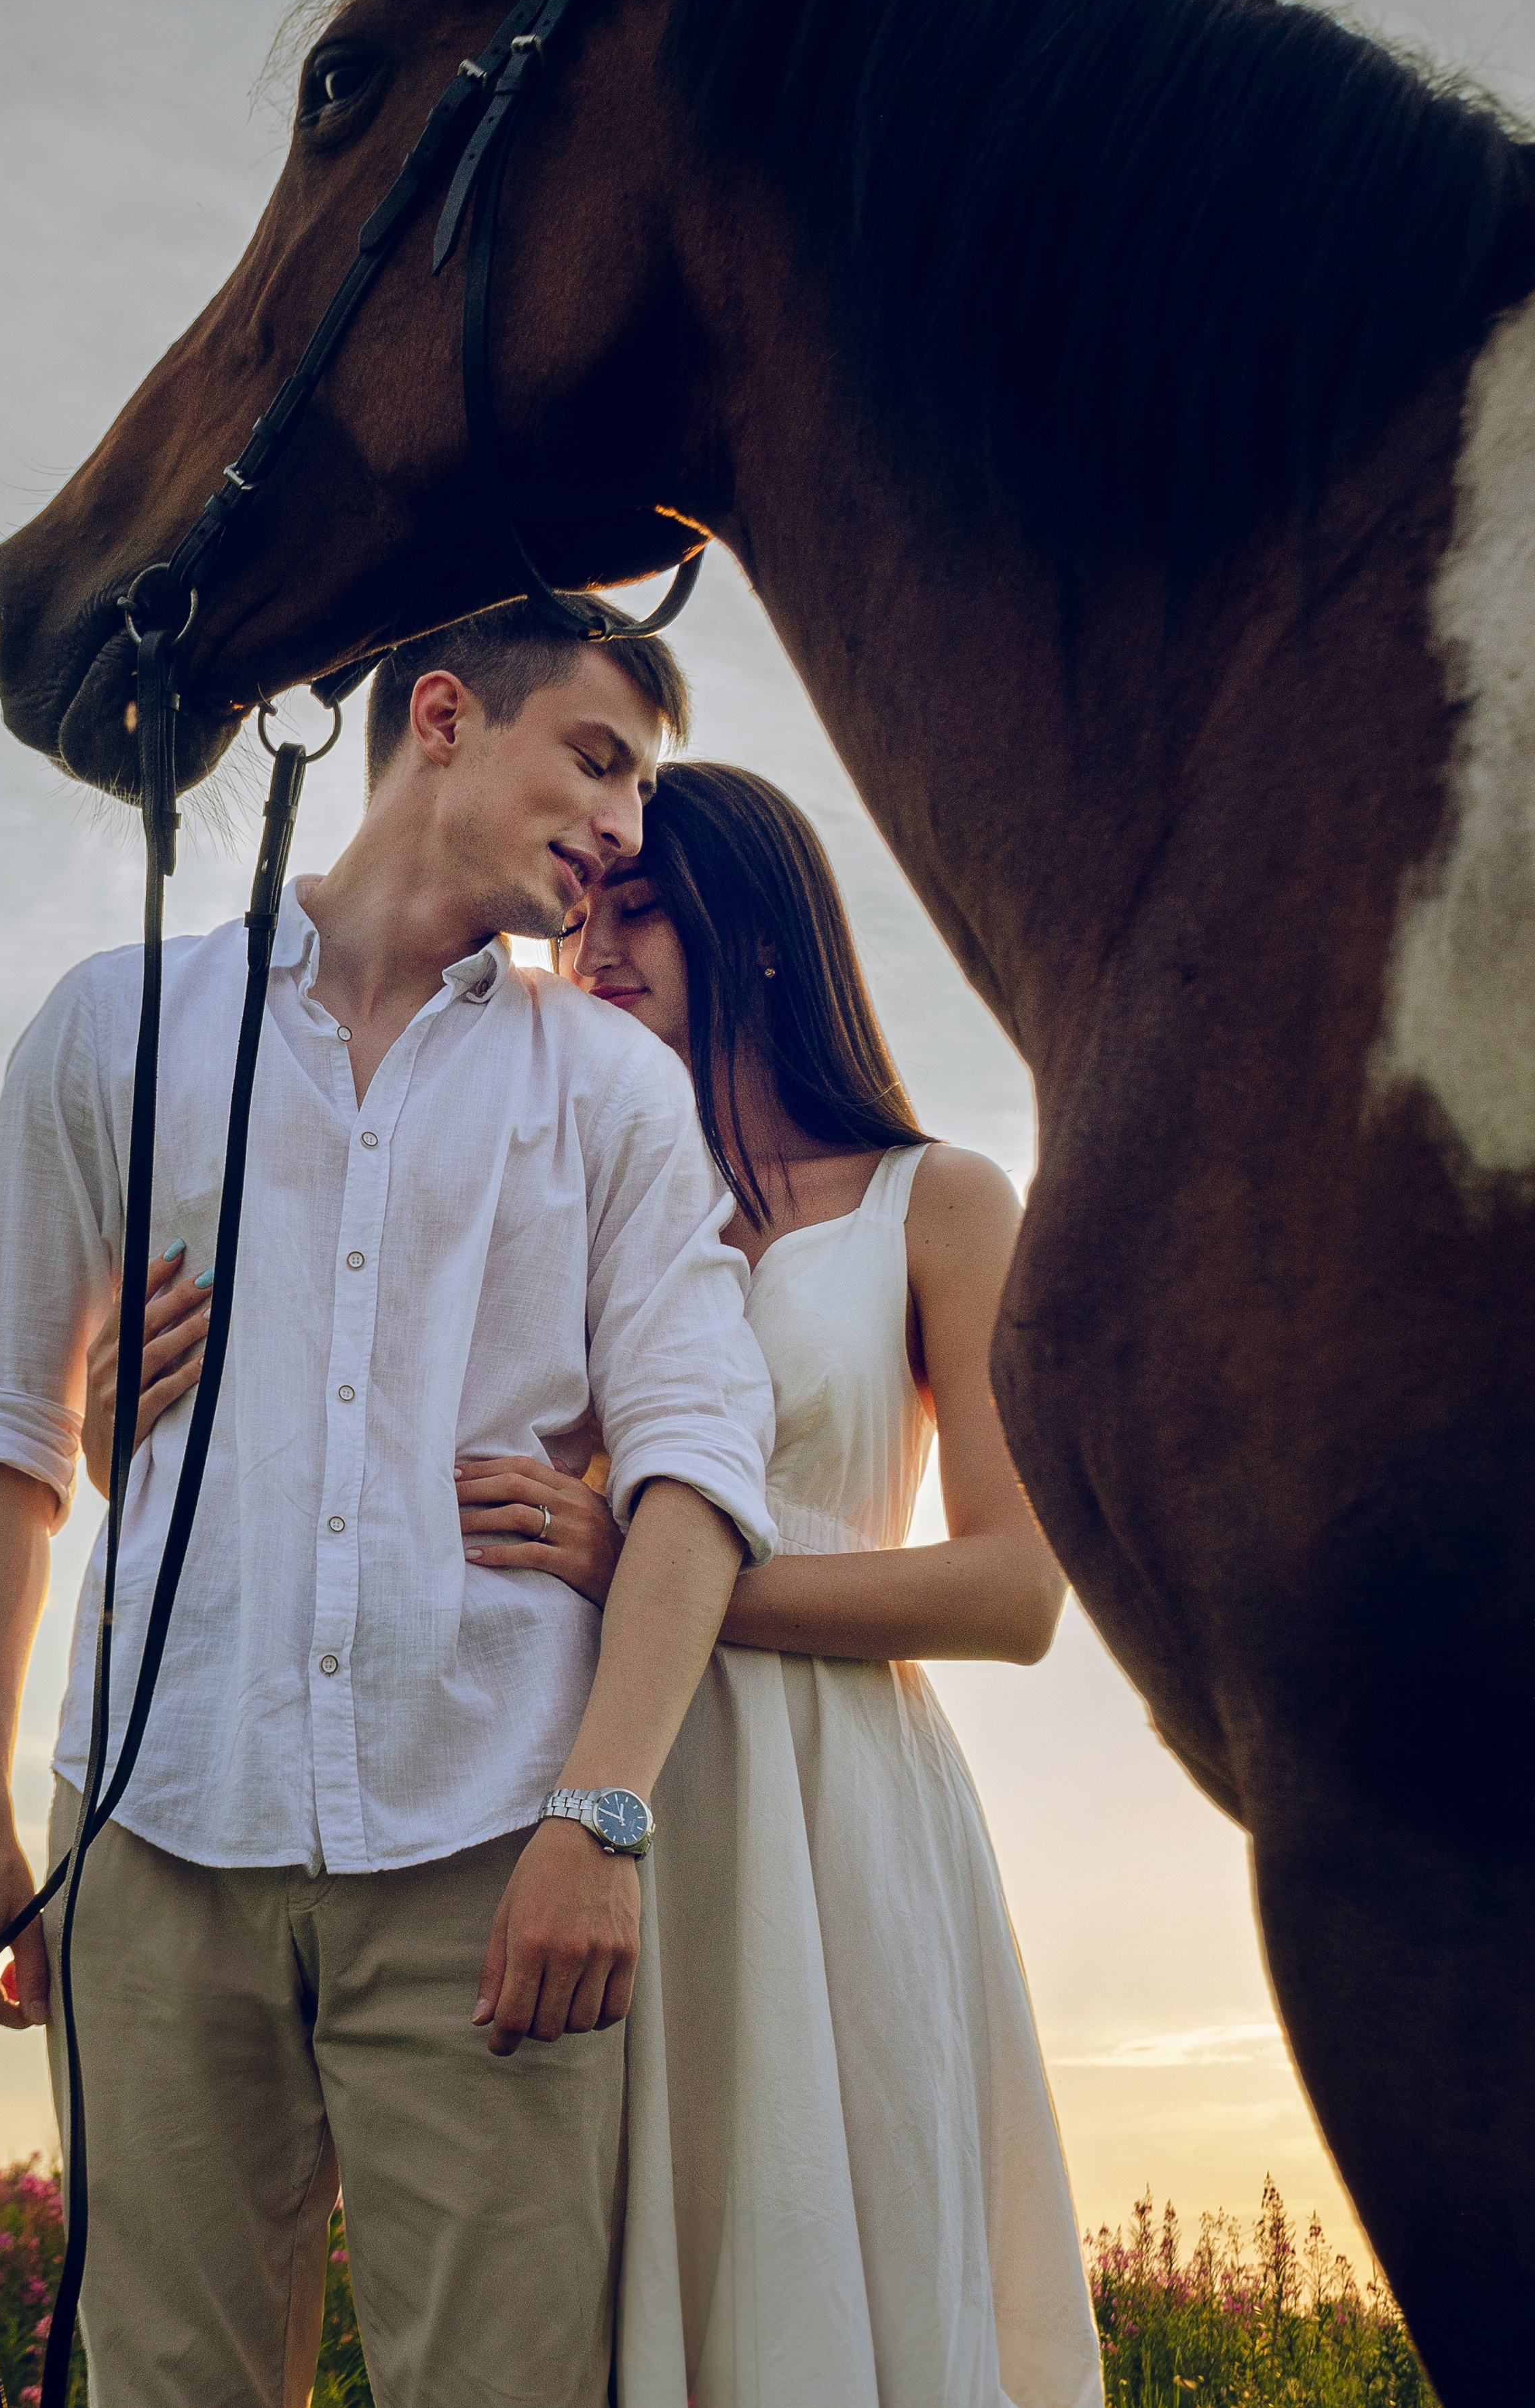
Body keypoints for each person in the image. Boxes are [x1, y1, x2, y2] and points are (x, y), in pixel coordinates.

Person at [116, 759, 1107, 2406]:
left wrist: (645, 1559)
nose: (600, 947)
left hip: (824, 1809)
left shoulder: (933, 1199)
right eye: (584, 915)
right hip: (554, 1791)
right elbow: (352, 1463)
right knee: (567, 2298)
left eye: (646, 910)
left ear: (761, 934)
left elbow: (1013, 1592)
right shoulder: (547, 1188)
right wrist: (126, 1426)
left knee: (824, 2262)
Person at [0, 608, 778, 2408]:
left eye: (644, 792)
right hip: (150, 1836)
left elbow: (700, 1469)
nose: (624, 831)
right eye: (598, 761)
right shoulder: (115, 1021)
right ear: (441, 716)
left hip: (492, 1861)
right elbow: (4, 1421)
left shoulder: (610, 1086)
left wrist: (597, 1818)